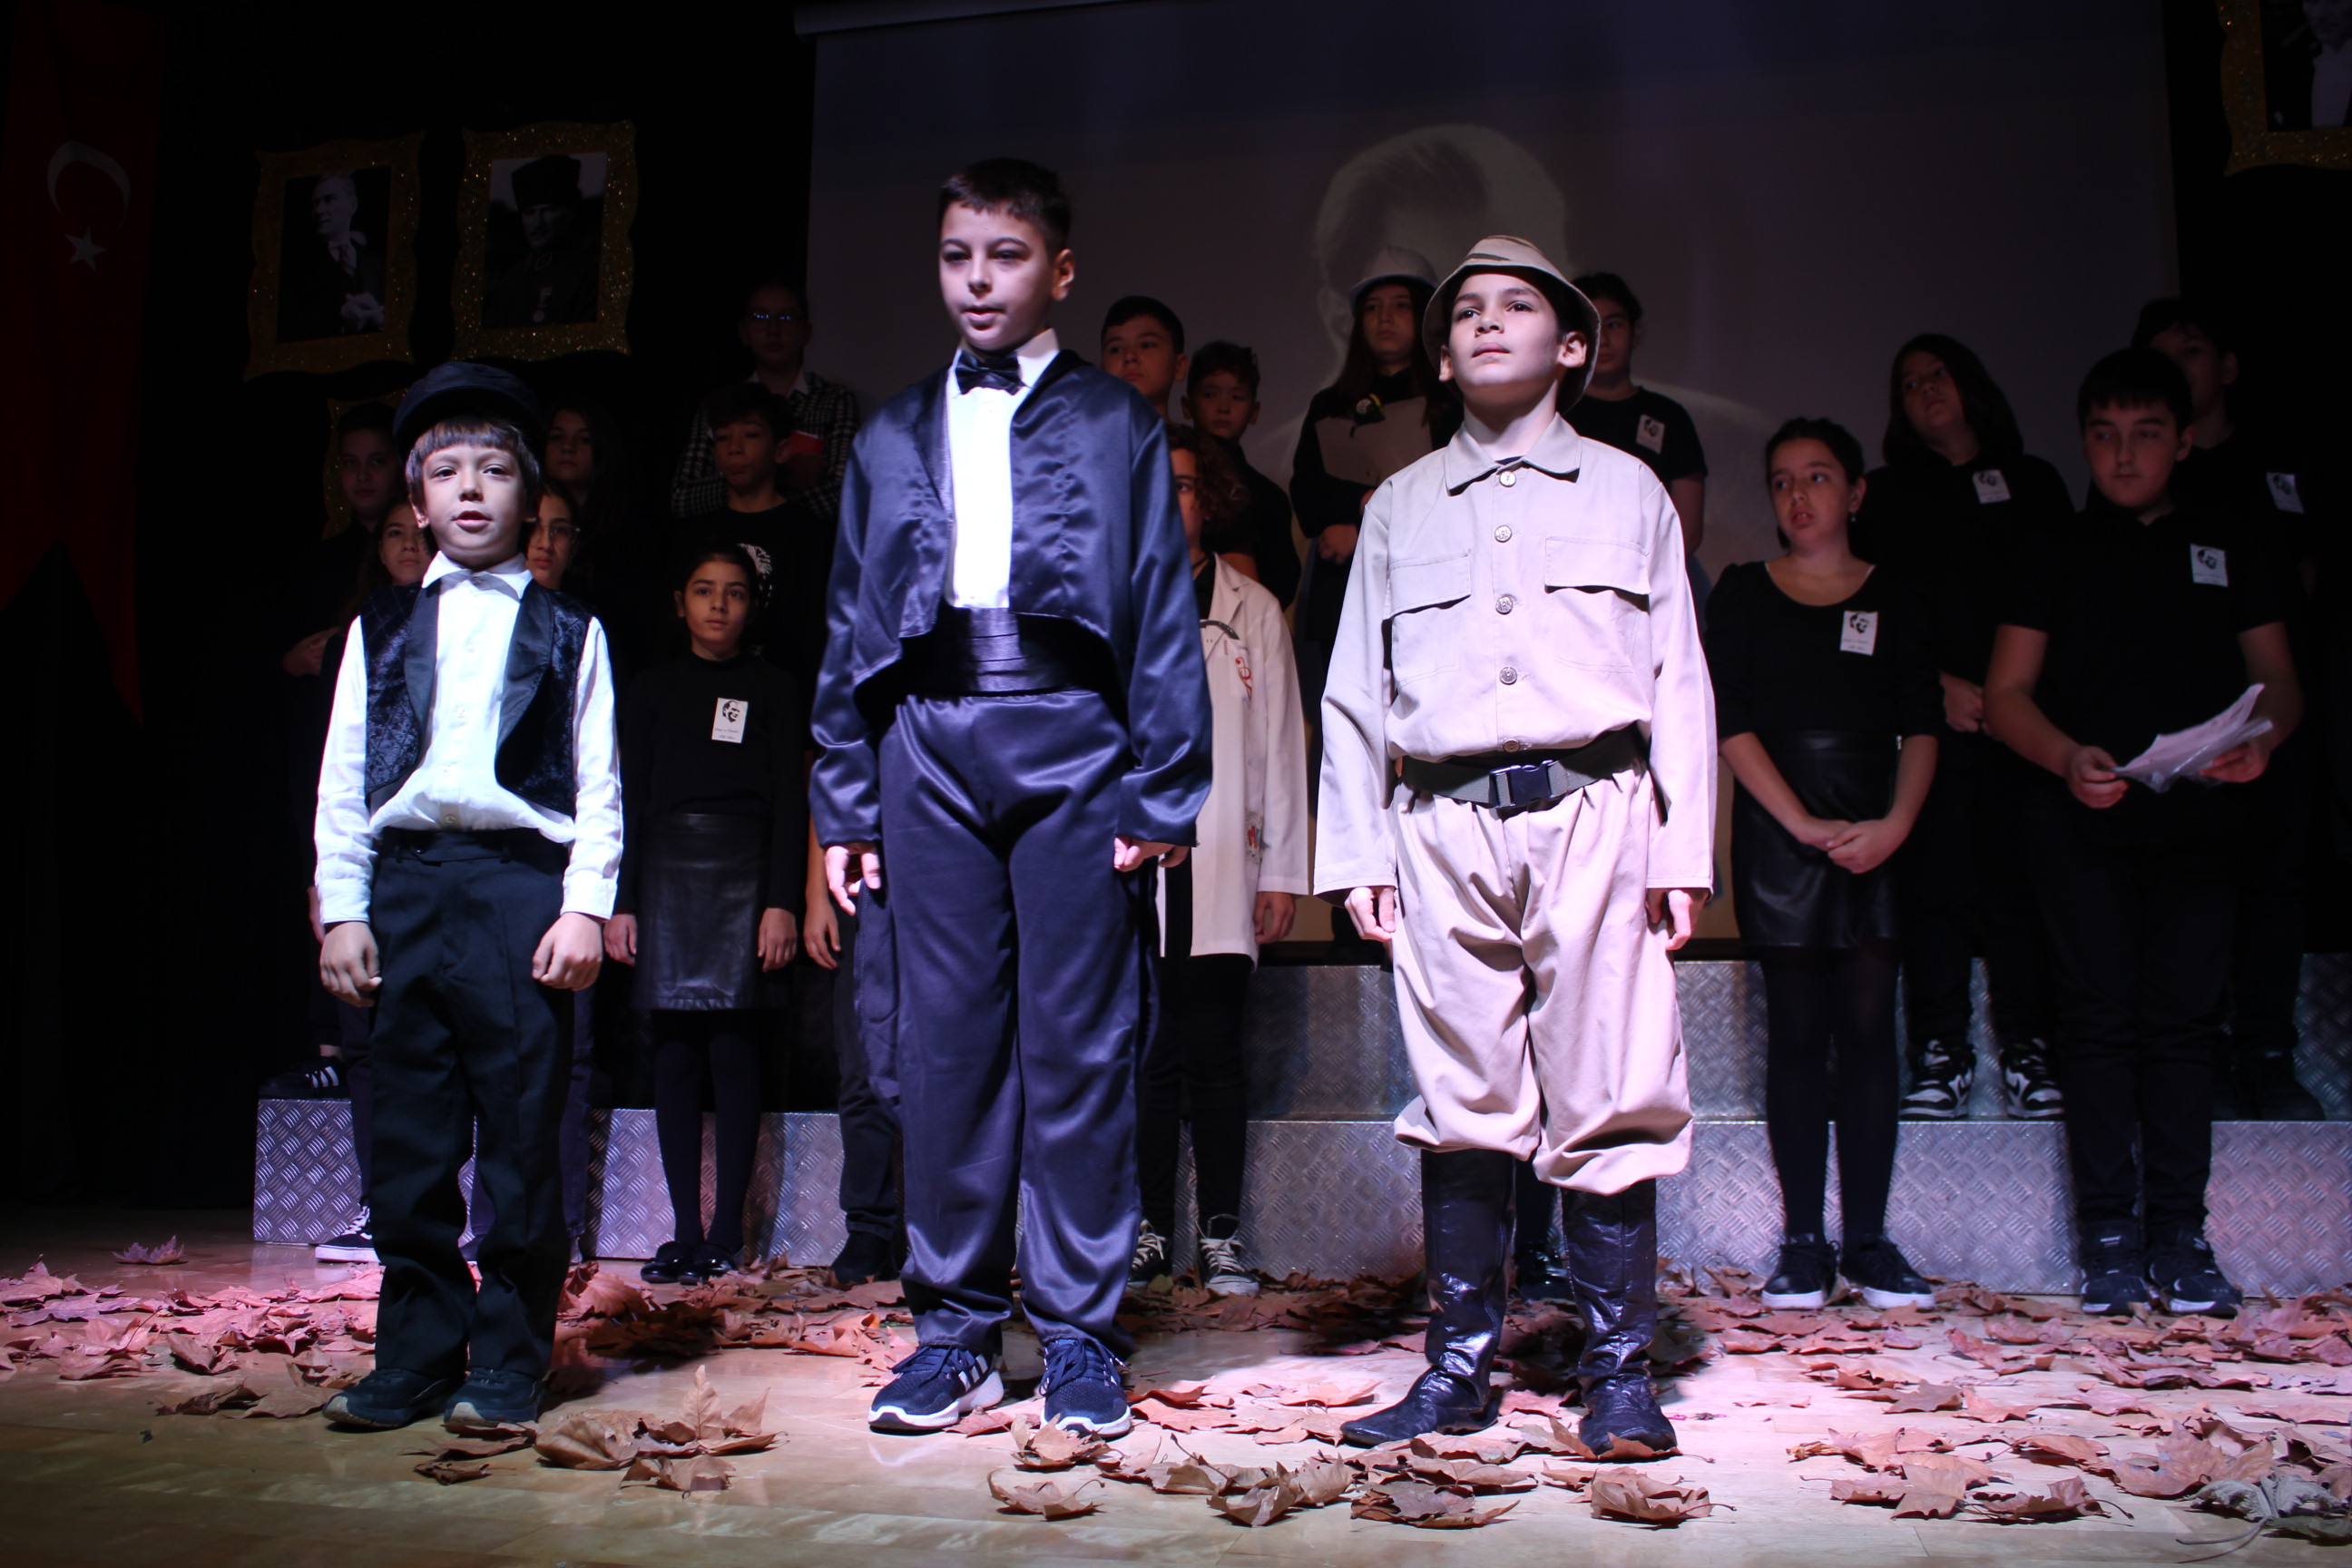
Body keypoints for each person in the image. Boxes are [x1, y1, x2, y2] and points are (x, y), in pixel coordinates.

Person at [811, 158, 1210, 1438]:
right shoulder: (890, 431)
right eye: (956, 256)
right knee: (947, 1047)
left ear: (1060, 270)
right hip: (925, 742)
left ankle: (1082, 1332)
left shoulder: (1116, 422)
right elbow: (849, 619)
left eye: (1006, 255)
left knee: (1079, 1042)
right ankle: (956, 1334)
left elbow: (1158, 605)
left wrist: (1160, 786)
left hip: (1073, 737)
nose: (977, 281)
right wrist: (844, 799)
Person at [1316, 238, 1713, 1454]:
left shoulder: (1628, 492)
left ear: (1572, 343)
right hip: (1441, 826)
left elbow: (1679, 678)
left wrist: (1681, 850)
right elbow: (1355, 690)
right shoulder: (1400, 505)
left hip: (1598, 816)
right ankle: (1457, 1369)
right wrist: (1358, 851)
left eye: (1517, 305)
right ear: (1443, 357)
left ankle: (1620, 1375)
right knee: (1461, 1097)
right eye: (1466, 313)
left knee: (1611, 1090)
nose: (1488, 322)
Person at [313, 362, 621, 1432]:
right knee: (408, 1135)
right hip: (407, 887)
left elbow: (599, 782)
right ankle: (416, 1352)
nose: (472, 490)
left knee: (523, 1132)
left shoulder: (570, 629)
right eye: (447, 473)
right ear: (416, 500)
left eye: (494, 470)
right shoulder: (381, 627)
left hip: (516, 890)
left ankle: (509, 1357)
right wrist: (344, 908)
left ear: (531, 497)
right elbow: (343, 777)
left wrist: (584, 906)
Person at [1983, 348, 2299, 1318]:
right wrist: (2065, 756)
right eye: (2106, 435)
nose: (2124, 456)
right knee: (2096, 1019)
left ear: (2185, 440)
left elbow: (2279, 680)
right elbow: (2006, 693)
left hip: (2200, 817)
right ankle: (2108, 1236)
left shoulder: (2227, 540)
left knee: (2183, 1025)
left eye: (2147, 434)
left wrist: (2261, 742)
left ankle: (2180, 1232)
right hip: (2082, 819)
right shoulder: (2054, 546)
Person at [1708, 418, 1943, 1310]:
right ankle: (1803, 1242)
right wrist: (1801, 822)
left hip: (1875, 827)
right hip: (1782, 827)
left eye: (1816, 476)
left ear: (1855, 491)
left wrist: (1896, 825)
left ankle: (1869, 1241)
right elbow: (1730, 721)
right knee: (1799, 1032)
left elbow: (1922, 722)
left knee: (1869, 1033)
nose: (1798, 495)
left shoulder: (1896, 593)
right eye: (1781, 480)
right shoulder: (1744, 591)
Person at [1851, 334, 2071, 1122]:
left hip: (2028, 720)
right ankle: (1941, 1051)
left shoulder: (2033, 481)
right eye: (1909, 383)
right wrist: (1937, 688)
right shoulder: (1885, 496)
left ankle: (2028, 1046)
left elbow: (2066, 597)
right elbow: (1871, 607)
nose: (1926, 391)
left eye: (1938, 374)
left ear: (1972, 383)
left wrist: (2016, 697)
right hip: (1930, 720)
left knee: (2021, 886)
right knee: (1934, 888)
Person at [2135, 297, 2329, 1121]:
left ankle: (2268, 1051)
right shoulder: (2150, 484)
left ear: (2228, 366)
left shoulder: (2278, 465)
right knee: (2192, 888)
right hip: (2181, 721)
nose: (2179, 366)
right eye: (2162, 354)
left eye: (2192, 350)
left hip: (2276, 706)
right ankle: (2203, 1048)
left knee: (2276, 880)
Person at [1132, 426, 1308, 1298]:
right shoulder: (1113, 602)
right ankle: (1148, 1230)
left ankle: (1222, 1233)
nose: (1171, 502)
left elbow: (1280, 745)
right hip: (1133, 867)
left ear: (1209, 499)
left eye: (1185, 486)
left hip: (1223, 863)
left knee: (1213, 1051)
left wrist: (1281, 872)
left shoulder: (1253, 609)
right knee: (1145, 1056)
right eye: (1155, 485)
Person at [604, 543, 808, 1284]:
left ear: (752, 606)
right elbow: (626, 798)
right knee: (675, 1053)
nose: (718, 604)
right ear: (679, 602)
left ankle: (727, 1234)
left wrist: (781, 900)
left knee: (734, 1050)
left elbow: (791, 802)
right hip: (666, 872)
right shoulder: (651, 688)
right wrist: (622, 902)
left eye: (734, 592)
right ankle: (684, 1234)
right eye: (703, 590)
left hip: (745, 872)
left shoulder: (775, 688)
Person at [305, 503, 436, 1266]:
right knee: (366, 1040)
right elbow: (335, 767)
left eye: (418, 532)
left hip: (444, 860)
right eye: (394, 534)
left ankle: (445, 1204)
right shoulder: (365, 633)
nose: (409, 544)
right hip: (371, 859)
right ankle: (377, 1202)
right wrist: (328, 878)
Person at [1290, 251, 1459, 819]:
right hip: (1340, 591)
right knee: (1345, 737)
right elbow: (1307, 494)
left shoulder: (1450, 402)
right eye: (1373, 308)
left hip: (1425, 590)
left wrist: (1365, 509)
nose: (1385, 318)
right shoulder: (1329, 404)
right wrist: (1346, 510)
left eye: (1401, 306)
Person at [669, 276, 860, 525]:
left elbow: (844, 495)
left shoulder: (833, 399)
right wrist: (783, 475)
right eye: (759, 317)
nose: (773, 329)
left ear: (806, 332)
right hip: (730, 539)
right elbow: (682, 498)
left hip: (804, 539)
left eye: (787, 318)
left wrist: (743, 483)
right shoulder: (718, 405)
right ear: (743, 331)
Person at [686, 384, 836, 689]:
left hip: (784, 693)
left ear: (781, 450)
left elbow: (815, 634)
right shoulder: (697, 535)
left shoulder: (809, 534)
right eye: (723, 437)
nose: (734, 447)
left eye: (751, 434)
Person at [1563, 272, 1707, 560]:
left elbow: (1687, 532)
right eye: (1593, 327)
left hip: (1648, 575)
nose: (1604, 340)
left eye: (1614, 324)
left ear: (1636, 331)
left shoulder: (1669, 417)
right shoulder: (1555, 414)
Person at [1183, 340, 1302, 609]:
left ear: (1254, 411)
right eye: (1210, 394)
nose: (1223, 406)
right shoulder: (1177, 478)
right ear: (1187, 405)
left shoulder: (1271, 497)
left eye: (1237, 397)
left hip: (1253, 620)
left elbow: (1284, 581)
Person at [484, 154, 601, 329]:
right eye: (529, 213)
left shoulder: (588, 276)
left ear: (570, 213)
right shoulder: (509, 280)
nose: (537, 223)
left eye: (548, 210)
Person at [279, 172, 387, 341]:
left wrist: (381, 323)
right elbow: (284, 324)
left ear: (353, 205)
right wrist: (340, 315)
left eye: (329, 200)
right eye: (315, 203)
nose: (319, 210)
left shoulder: (378, 263)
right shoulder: (295, 265)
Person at [1100, 295, 1188, 422]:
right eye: (1116, 349)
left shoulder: (1197, 436)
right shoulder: (1078, 434)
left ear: (1179, 366)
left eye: (1147, 345)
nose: (1129, 356)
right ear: (1101, 371)